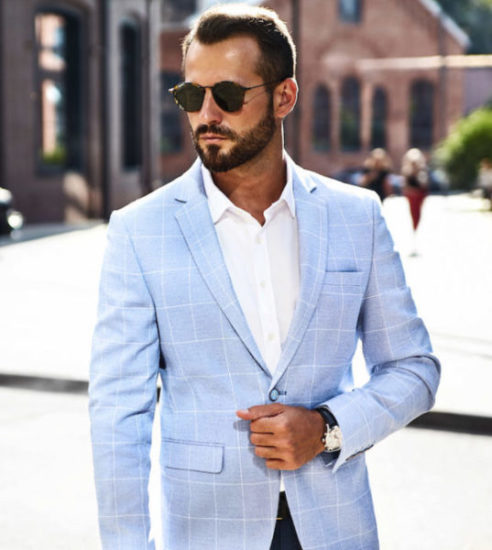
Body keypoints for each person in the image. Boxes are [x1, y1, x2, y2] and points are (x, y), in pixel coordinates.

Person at [89, 5, 440, 550]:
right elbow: (118, 412)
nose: (206, 114)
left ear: (284, 97)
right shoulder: (140, 232)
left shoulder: (356, 217)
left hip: (336, 529)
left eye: (227, 95)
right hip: (206, 533)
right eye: (190, 95)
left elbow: (414, 369)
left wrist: (326, 427)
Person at [401, 148, 429, 255]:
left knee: (419, 217)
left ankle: (417, 239)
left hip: (419, 198)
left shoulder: (422, 172)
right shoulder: (407, 172)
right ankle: (412, 240)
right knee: (412, 217)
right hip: (412, 198)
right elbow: (405, 187)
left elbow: (424, 186)